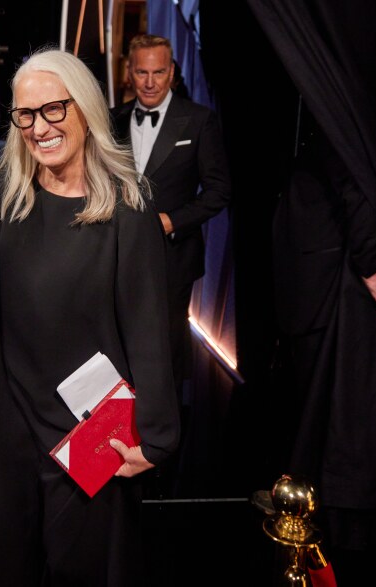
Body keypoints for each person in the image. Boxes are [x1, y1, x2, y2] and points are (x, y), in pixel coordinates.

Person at [0, 48, 180, 586]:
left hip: (88, 437)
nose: (39, 127)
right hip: (1, 431)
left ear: (85, 110)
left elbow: (149, 331)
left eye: (53, 110)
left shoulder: (127, 213)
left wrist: (155, 438)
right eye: (25, 115)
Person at [270, 102, 376, 570]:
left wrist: (369, 261)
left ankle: (328, 530)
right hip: (316, 279)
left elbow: (358, 185)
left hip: (336, 283)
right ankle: (318, 523)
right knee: (322, 406)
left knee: (339, 410)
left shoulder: (350, 114)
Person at [110, 34, 231, 495]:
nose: (149, 81)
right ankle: (117, 434)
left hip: (172, 259)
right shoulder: (113, 120)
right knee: (118, 341)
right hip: (118, 256)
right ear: (129, 73)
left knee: (163, 346)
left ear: (173, 73)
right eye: (141, 72)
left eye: (158, 72)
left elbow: (219, 191)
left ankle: (162, 446)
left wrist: (171, 221)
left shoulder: (199, 121)